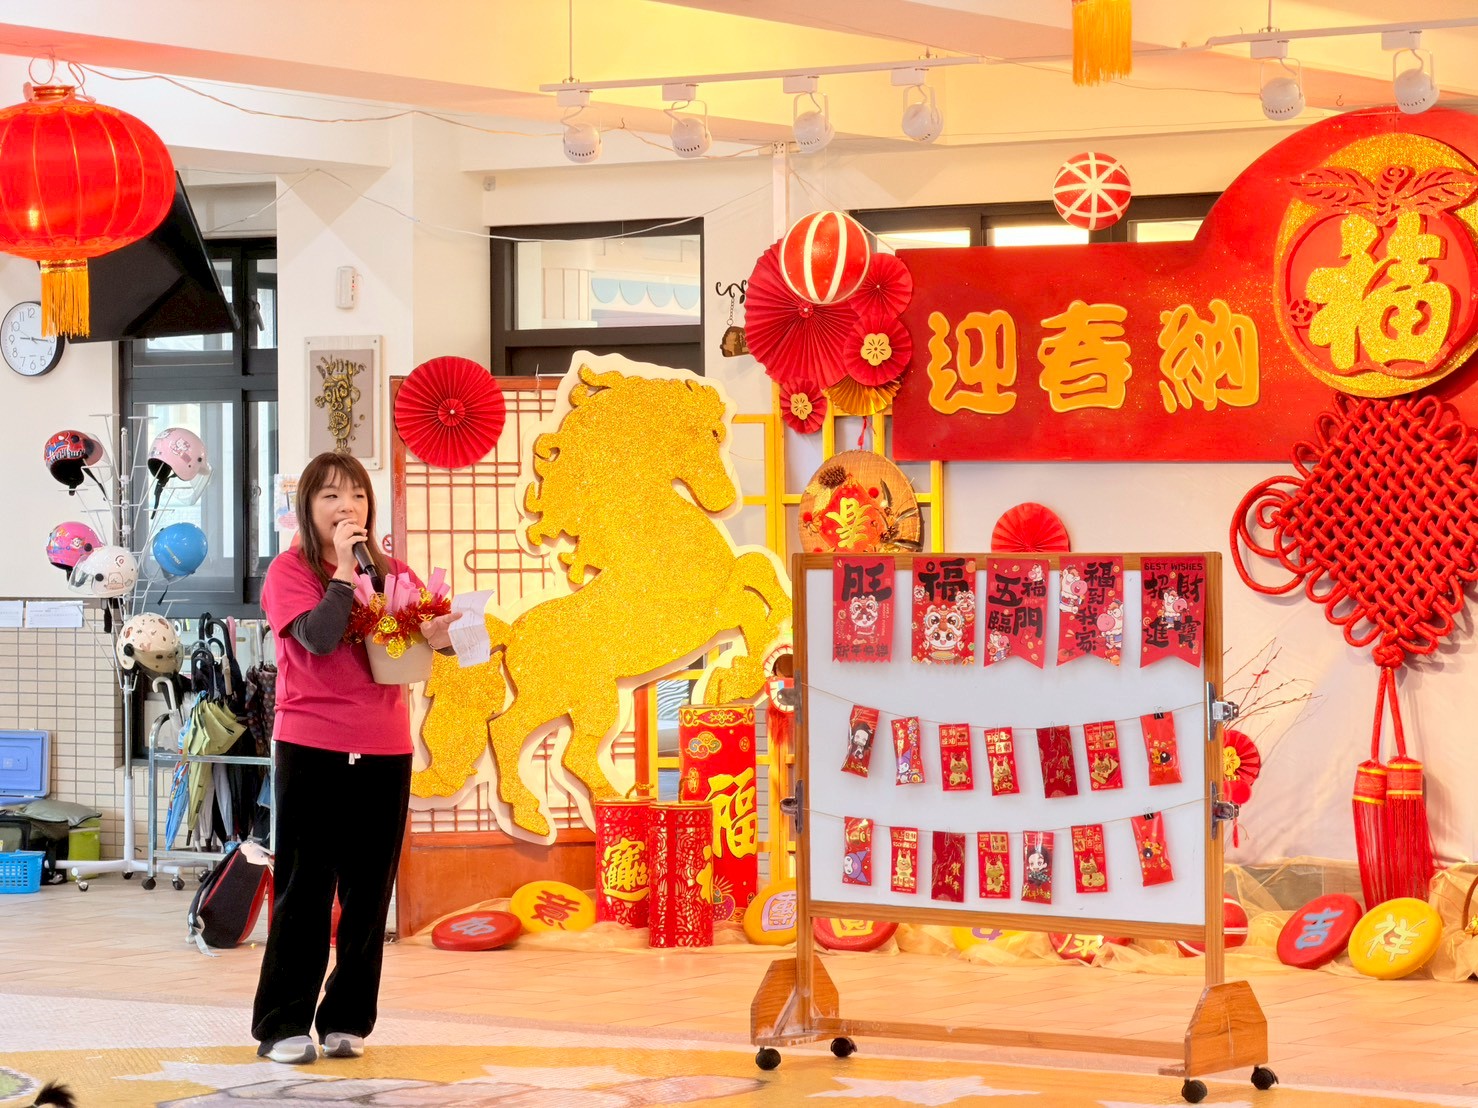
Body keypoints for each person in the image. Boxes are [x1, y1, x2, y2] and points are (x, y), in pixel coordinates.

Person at [251, 452, 456, 1065]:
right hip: (311, 744)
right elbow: (317, 638)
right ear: (307, 508)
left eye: (358, 496)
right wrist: (343, 572)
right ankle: (283, 1024)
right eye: (332, 497)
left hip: (386, 747)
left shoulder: (394, 573)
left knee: (369, 894)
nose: (348, 508)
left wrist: (446, 636)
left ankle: (346, 1019)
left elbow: (432, 648)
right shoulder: (289, 572)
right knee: (305, 889)